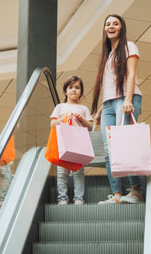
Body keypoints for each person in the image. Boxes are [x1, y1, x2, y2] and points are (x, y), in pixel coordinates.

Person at [91, 14, 144, 204]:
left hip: (126, 99)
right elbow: (107, 84)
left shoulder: (130, 46)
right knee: (109, 149)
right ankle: (117, 194)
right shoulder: (107, 54)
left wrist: (128, 99)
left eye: (115, 23)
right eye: (107, 24)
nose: (111, 26)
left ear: (122, 27)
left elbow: (131, 75)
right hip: (108, 104)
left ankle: (136, 190)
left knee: (125, 144)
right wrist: (99, 109)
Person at [50, 76, 94, 205]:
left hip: (78, 144)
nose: (74, 90)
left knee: (78, 172)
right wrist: (63, 117)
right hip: (63, 143)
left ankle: (79, 198)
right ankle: (62, 198)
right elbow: (52, 124)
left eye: (77, 87)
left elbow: (91, 127)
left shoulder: (83, 109)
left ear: (81, 91)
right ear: (65, 91)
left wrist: (82, 120)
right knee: (62, 172)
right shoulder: (60, 107)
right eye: (71, 87)